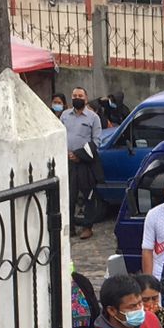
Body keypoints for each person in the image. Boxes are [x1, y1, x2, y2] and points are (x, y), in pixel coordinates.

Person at [62, 86, 104, 240]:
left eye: (80, 95)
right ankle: (70, 227)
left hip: (85, 163)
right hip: (68, 162)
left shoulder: (93, 118)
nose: (77, 98)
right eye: (74, 95)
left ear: (85, 99)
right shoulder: (65, 116)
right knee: (69, 196)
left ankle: (87, 226)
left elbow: (96, 141)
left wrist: (79, 155)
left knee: (88, 196)